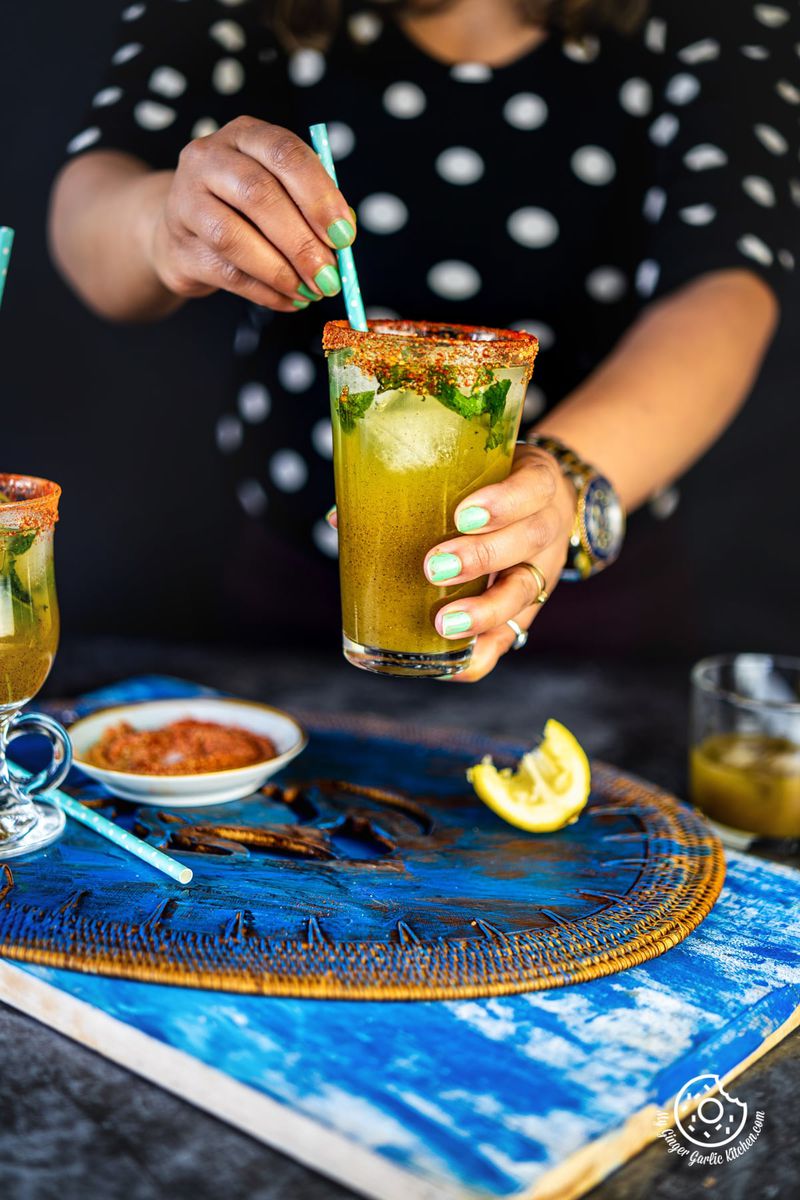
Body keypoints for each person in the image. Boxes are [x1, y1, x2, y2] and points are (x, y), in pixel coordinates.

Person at [50, 0, 796, 680]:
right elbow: (89, 201)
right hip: (293, 612)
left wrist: (559, 489)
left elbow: (727, 286)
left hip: (588, 615)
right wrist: (167, 225)